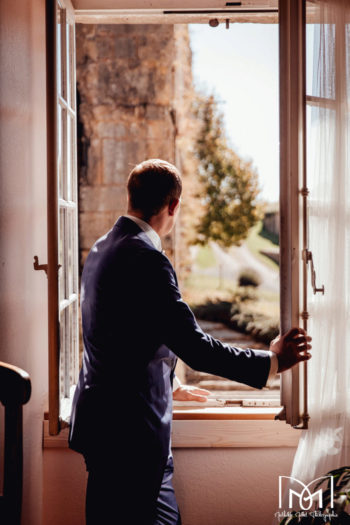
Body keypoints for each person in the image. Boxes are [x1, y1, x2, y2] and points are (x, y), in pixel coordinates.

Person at [68, 158, 311, 525]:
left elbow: (115, 333)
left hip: (101, 426)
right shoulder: (147, 259)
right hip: (132, 437)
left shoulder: (102, 248)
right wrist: (272, 361)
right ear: (173, 206)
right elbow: (195, 347)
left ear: (130, 197)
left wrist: (170, 380)